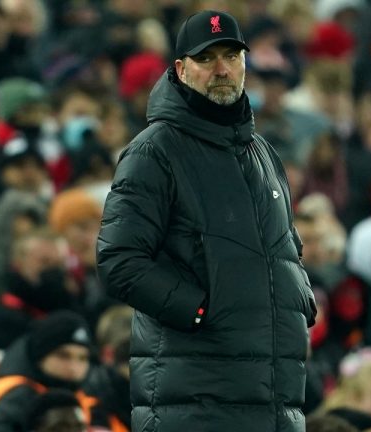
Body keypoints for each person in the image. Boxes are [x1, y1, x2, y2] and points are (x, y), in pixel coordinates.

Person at [96, 9, 316, 431]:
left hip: (273, 401)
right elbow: (119, 259)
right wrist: (199, 311)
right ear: (180, 69)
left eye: (232, 56)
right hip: (193, 401)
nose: (222, 69)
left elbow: (286, 244)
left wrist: (299, 296)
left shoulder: (262, 153)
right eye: (207, 58)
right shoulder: (154, 151)